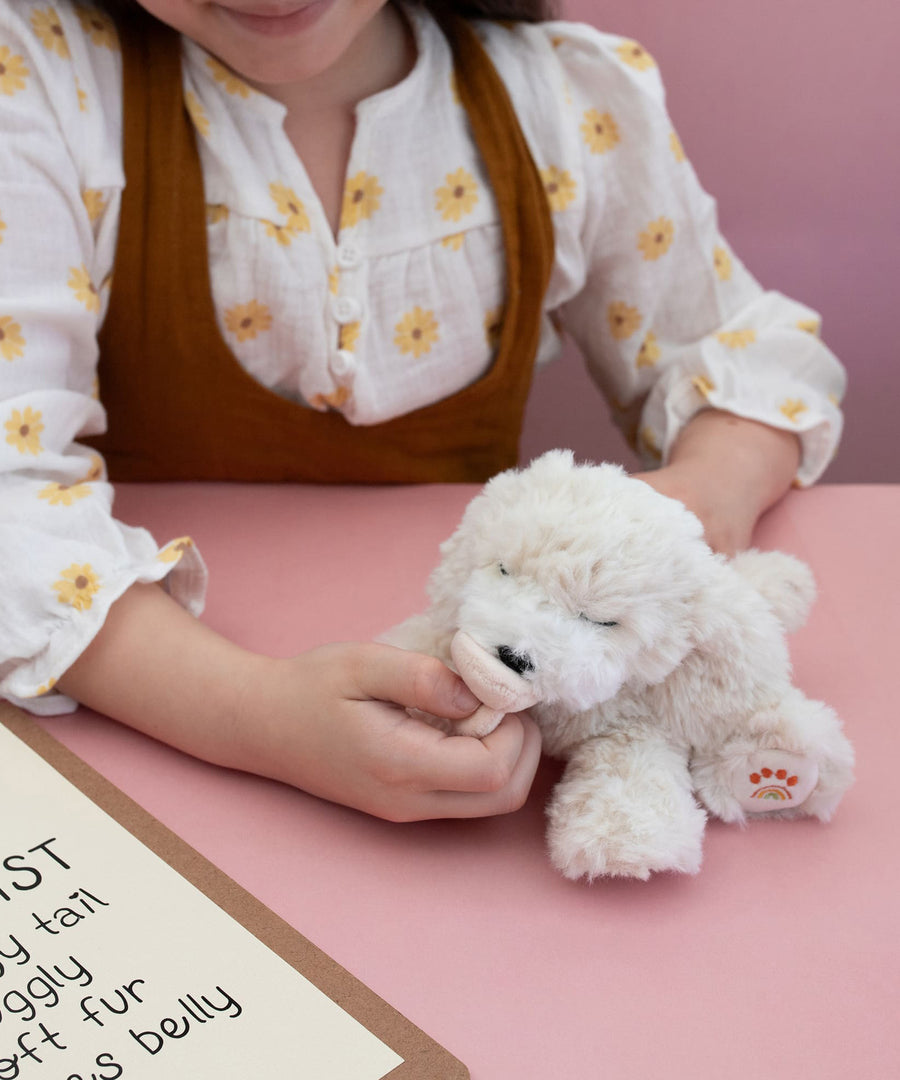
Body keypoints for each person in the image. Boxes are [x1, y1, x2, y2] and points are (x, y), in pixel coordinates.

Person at [0, 0, 845, 822]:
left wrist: (688, 509)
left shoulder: (563, 104)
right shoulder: (40, 78)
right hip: (133, 770)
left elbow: (751, 354)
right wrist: (255, 714)